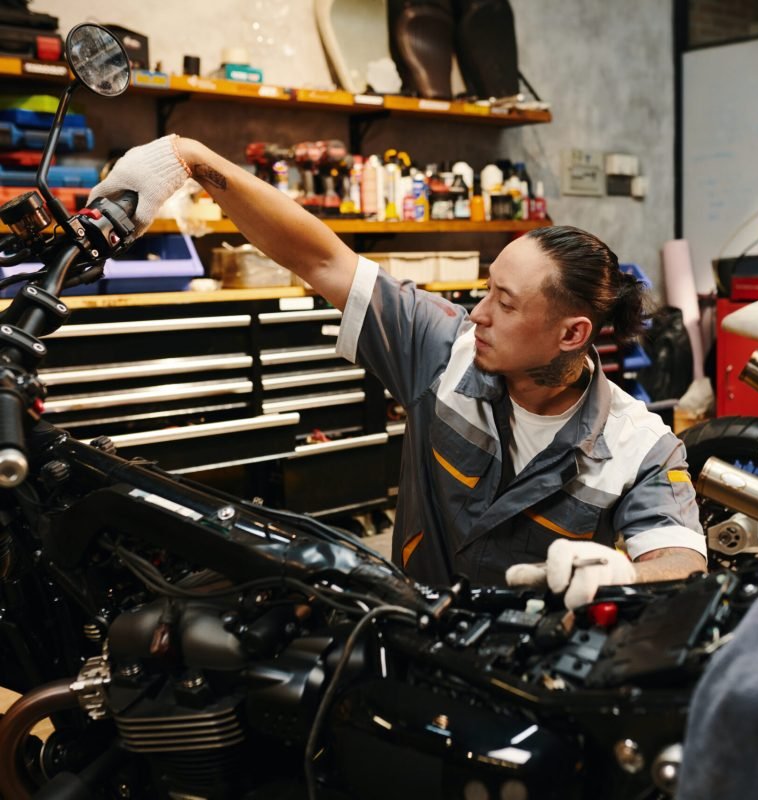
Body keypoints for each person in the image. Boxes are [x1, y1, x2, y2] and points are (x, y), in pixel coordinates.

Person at [89, 135, 708, 608]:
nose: (478, 313)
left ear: (572, 334)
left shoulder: (639, 444)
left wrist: (627, 576)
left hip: (527, 672)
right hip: (407, 639)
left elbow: (680, 559)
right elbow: (321, 258)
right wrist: (192, 158)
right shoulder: (446, 350)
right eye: (486, 289)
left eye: (505, 303)